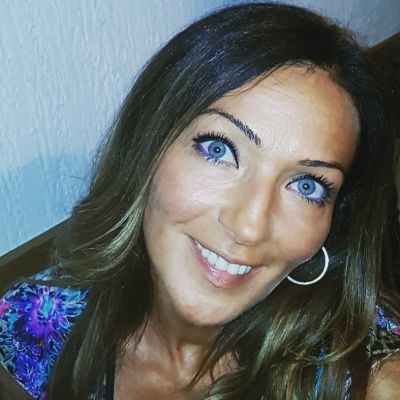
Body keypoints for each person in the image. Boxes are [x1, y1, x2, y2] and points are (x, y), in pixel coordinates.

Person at [1, 2, 400, 399]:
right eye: (219, 150)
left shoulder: (364, 374)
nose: (249, 227)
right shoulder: (35, 326)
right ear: (148, 147)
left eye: (307, 186)